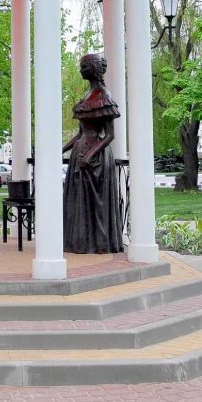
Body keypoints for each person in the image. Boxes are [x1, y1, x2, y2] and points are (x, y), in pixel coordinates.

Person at [63, 53, 123, 254]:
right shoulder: (86, 97)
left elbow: (109, 135)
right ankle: (80, 242)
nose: (80, 70)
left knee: (96, 204)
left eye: (84, 66)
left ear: (94, 69)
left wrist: (90, 155)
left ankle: (99, 243)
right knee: (78, 202)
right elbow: (80, 133)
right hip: (79, 156)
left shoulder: (104, 96)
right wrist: (62, 149)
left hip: (95, 159)